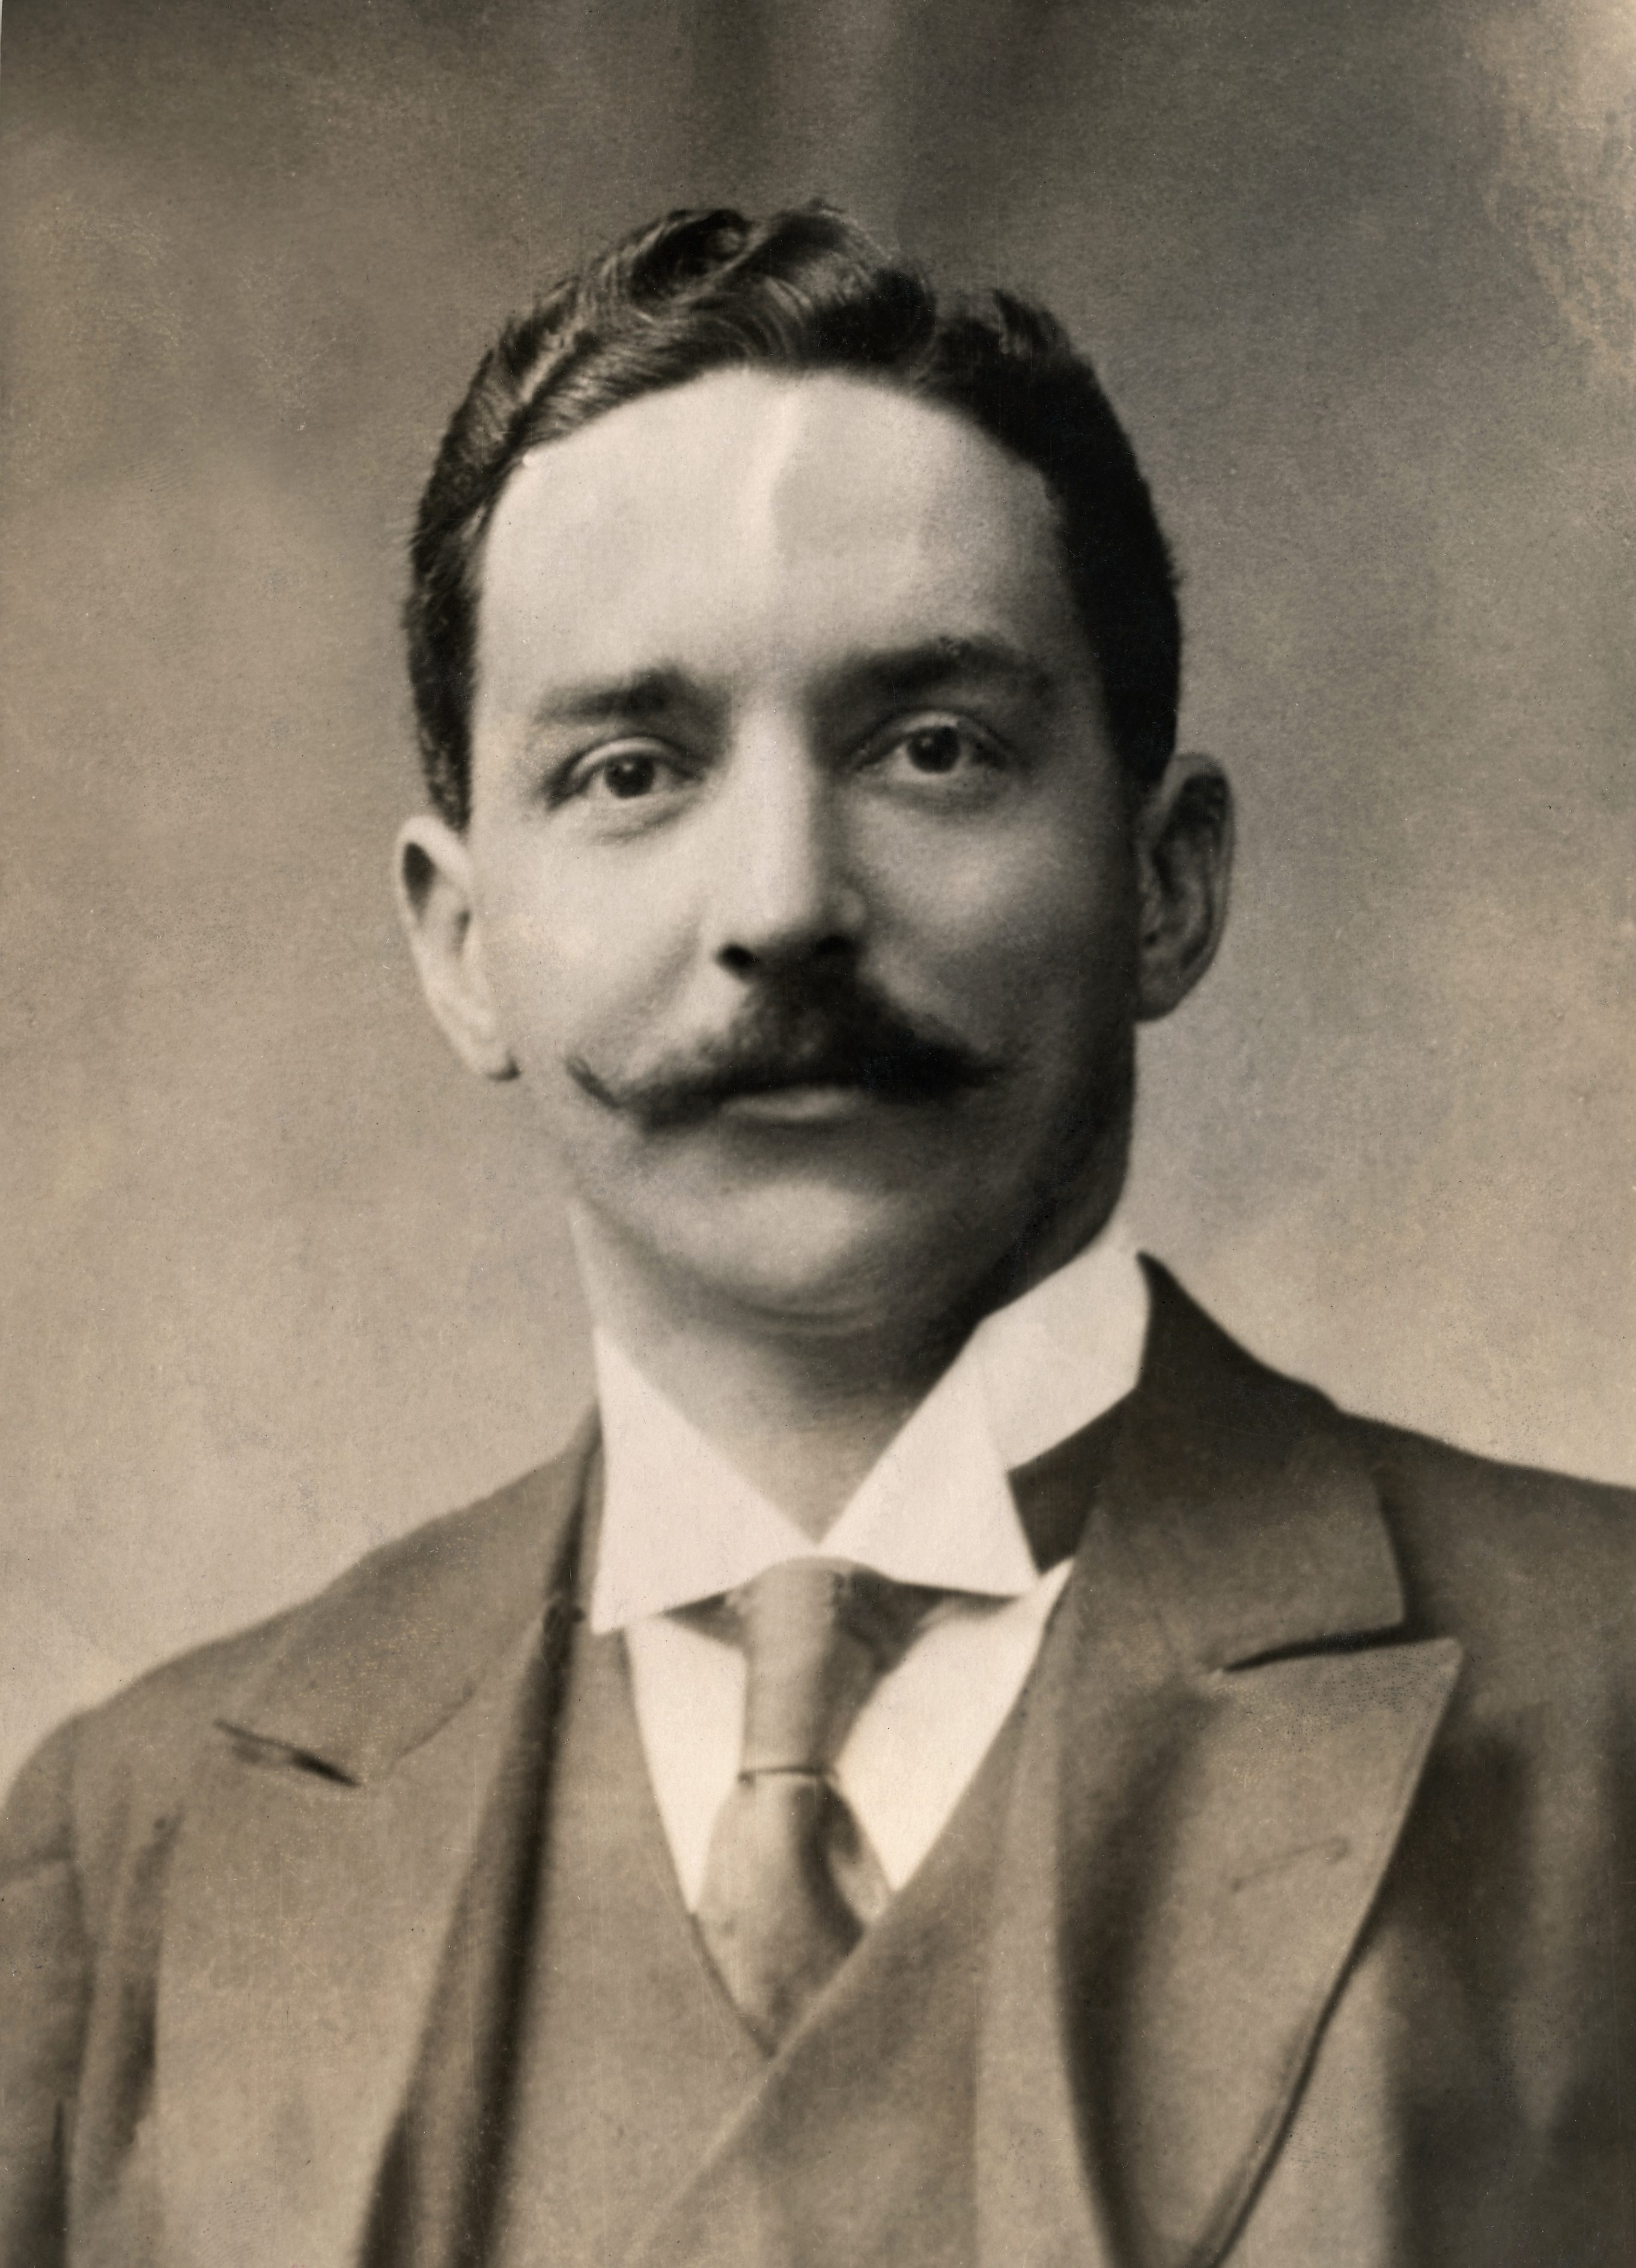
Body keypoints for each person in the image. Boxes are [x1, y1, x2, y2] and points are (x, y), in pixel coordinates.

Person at [1, 204, 1631, 2268]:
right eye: (627, 769)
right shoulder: (123, 1852)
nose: (781, 897)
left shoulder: (1605, 1719)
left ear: (1164, 883)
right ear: (460, 945)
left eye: (930, 748)